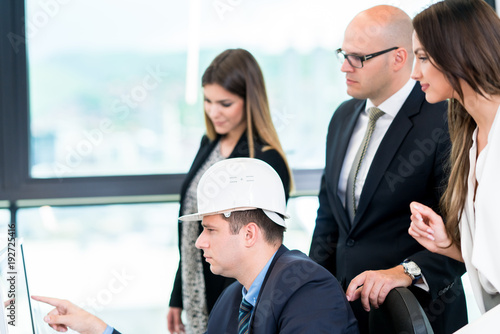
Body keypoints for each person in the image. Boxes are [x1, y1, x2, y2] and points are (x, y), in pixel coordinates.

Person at [33, 158, 358, 334]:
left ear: (249, 234)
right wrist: (96, 328)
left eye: (209, 230)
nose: (200, 242)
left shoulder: (308, 290)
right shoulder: (234, 297)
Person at [308, 5, 467, 333]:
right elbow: (329, 217)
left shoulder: (444, 120)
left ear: (398, 58)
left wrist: (405, 271)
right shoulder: (342, 117)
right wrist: (310, 288)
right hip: (346, 310)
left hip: (418, 313)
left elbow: (461, 236)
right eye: (343, 54)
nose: (344, 67)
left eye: (357, 58)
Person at [168, 49, 292, 334]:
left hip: (231, 292)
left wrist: (232, 307)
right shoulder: (208, 144)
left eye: (225, 103)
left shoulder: (264, 160)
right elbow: (191, 228)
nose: (213, 112)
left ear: (250, 102)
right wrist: (178, 296)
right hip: (194, 281)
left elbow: (257, 246)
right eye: (208, 101)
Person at [408, 0, 500, 330]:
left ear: (457, 52)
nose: (414, 73)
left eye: (421, 58)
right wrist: (448, 244)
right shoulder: (471, 138)